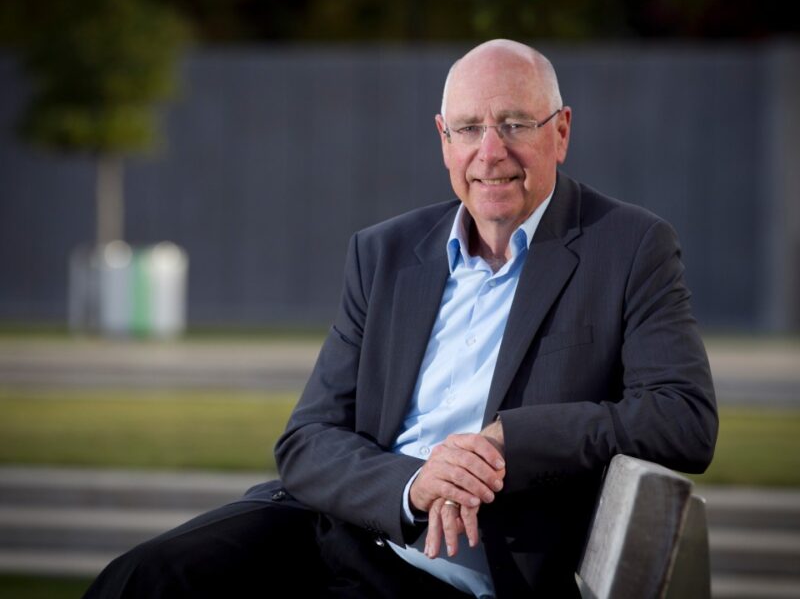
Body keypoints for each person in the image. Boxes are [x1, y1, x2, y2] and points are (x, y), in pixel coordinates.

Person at [84, 39, 717, 598]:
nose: (490, 151)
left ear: (561, 131)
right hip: (334, 524)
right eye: (468, 128)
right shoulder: (386, 253)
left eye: (515, 123)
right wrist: (411, 485)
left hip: (456, 574)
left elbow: (684, 421)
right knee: (140, 579)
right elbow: (306, 441)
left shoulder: (628, 246)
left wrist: (508, 440)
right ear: (444, 139)